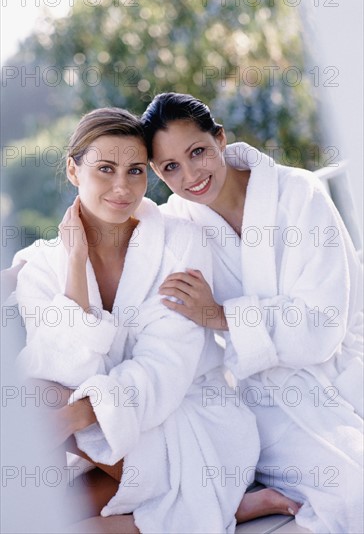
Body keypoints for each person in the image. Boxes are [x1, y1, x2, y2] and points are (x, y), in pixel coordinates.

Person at [11, 107, 299, 534]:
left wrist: (79, 415)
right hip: (112, 437)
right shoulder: (43, 268)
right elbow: (63, 373)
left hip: (185, 422)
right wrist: (75, 266)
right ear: (73, 170)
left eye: (135, 171)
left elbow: (164, 369)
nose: (122, 187)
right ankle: (220, 508)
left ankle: (211, 498)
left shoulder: (179, 243)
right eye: (105, 169)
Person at [141, 92, 364, 534]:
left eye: (197, 152)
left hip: (344, 369)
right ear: (156, 173)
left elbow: (321, 326)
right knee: (353, 489)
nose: (190, 175)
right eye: (170, 168)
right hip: (270, 405)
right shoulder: (179, 227)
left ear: (220, 139)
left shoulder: (299, 194)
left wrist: (222, 316)